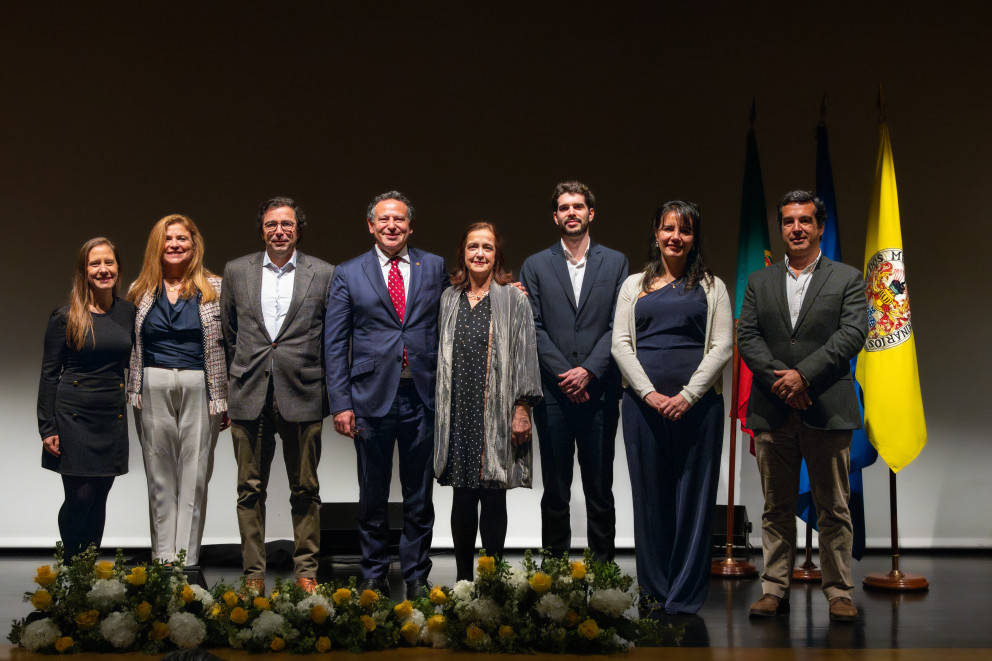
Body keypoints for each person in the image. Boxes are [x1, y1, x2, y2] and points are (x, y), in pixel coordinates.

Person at [738, 190, 868, 623]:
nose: (797, 228)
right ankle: (774, 589)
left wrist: (804, 375)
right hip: (773, 408)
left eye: (805, 221)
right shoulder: (760, 281)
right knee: (776, 507)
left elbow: (851, 335)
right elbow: (749, 338)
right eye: (789, 221)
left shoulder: (847, 278)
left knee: (834, 507)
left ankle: (839, 592)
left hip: (827, 406)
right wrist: (782, 380)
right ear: (781, 227)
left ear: (819, 227)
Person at [324, 191, 447, 599]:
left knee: (419, 496)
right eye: (384, 220)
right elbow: (335, 343)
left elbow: (453, 311)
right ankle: (374, 571)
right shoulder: (348, 272)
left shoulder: (433, 266)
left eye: (399, 220)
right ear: (371, 226)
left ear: (410, 226)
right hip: (370, 397)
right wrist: (340, 403)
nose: (391, 226)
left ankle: (416, 574)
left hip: (421, 396)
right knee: (372, 495)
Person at [612, 201, 732, 614]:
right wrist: (649, 394)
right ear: (657, 233)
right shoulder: (633, 285)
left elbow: (722, 347)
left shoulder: (713, 286)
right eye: (668, 228)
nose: (675, 237)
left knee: (694, 501)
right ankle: (655, 590)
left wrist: (686, 396)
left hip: (699, 409)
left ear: (694, 237)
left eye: (684, 230)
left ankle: (683, 594)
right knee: (650, 499)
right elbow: (620, 345)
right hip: (642, 408)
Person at [219, 197, 335, 594]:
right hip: (249, 390)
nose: (279, 231)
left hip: (302, 392)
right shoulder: (237, 271)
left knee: (306, 488)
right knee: (249, 489)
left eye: (286, 224)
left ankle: (306, 571)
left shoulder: (323, 273)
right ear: (262, 230)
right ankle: (253, 576)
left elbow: (330, 337)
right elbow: (229, 333)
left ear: (298, 229)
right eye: (271, 224)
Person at [519, 181, 628, 562]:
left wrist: (589, 372)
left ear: (590, 213)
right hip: (554, 395)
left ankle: (602, 574)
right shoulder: (535, 264)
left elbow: (619, 324)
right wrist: (568, 375)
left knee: (600, 489)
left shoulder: (615, 262)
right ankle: (555, 574)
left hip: (599, 393)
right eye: (564, 207)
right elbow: (532, 327)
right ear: (555, 216)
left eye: (578, 206)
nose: (571, 213)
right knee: (556, 490)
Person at [434, 222, 541, 581]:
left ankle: (492, 583)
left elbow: (526, 356)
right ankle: (464, 582)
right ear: (463, 254)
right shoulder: (449, 298)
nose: (480, 253)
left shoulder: (514, 299)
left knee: (494, 497)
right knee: (462, 498)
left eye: (487, 248)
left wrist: (522, 409)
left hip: (497, 413)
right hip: (459, 412)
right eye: (473, 247)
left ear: (497, 256)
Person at [127, 214, 228, 568]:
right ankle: (162, 559)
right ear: (158, 245)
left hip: (200, 383)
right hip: (151, 383)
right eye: (167, 238)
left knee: (195, 472)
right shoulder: (140, 290)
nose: (174, 244)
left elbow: (230, 344)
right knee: (158, 473)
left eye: (182, 238)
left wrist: (224, 397)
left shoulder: (216, 287)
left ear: (194, 244)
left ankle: (186, 561)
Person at [37, 237, 136, 563]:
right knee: (80, 496)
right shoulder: (65, 316)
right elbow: (50, 373)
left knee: (99, 497)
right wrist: (47, 425)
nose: (103, 269)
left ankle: (89, 571)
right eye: (95, 263)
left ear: (117, 268)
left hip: (110, 414)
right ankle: (72, 566)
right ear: (84, 270)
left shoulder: (128, 313)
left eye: (109, 262)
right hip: (72, 416)